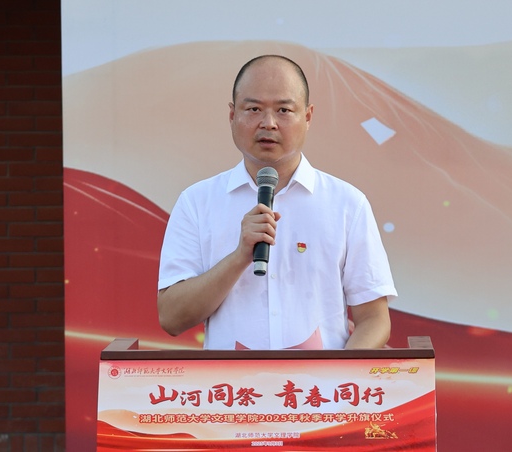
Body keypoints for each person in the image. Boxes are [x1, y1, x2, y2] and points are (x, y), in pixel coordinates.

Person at [157, 55, 397, 350]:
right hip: (231, 381)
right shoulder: (197, 202)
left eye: (284, 110)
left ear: (307, 116)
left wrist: (339, 371)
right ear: (232, 115)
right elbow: (171, 317)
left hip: (321, 382)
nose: (268, 123)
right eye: (254, 109)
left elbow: (374, 319)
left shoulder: (347, 204)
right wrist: (239, 256)